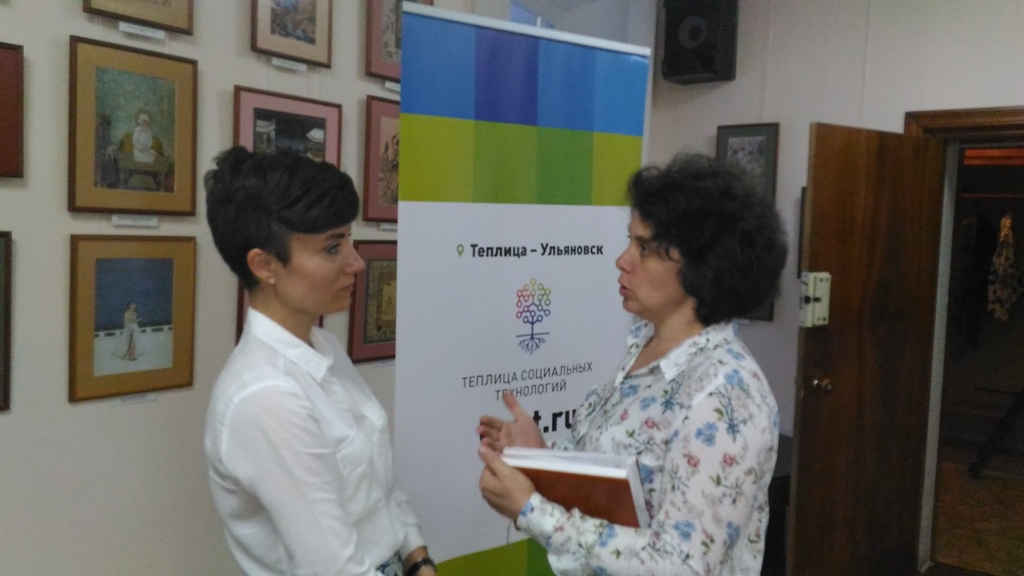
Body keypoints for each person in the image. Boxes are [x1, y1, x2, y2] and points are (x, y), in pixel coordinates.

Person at [477, 153, 788, 575]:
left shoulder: (727, 395)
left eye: (644, 248)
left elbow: (682, 566)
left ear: (703, 265)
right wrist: (540, 458)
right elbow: (620, 494)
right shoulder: (645, 346)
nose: (623, 260)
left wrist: (532, 511)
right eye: (630, 241)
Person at [203, 146, 437, 576]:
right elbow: (331, 566)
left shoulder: (323, 347)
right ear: (265, 265)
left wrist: (419, 560)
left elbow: (381, 490)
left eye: (348, 239)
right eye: (332, 248)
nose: (356, 262)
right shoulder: (266, 397)